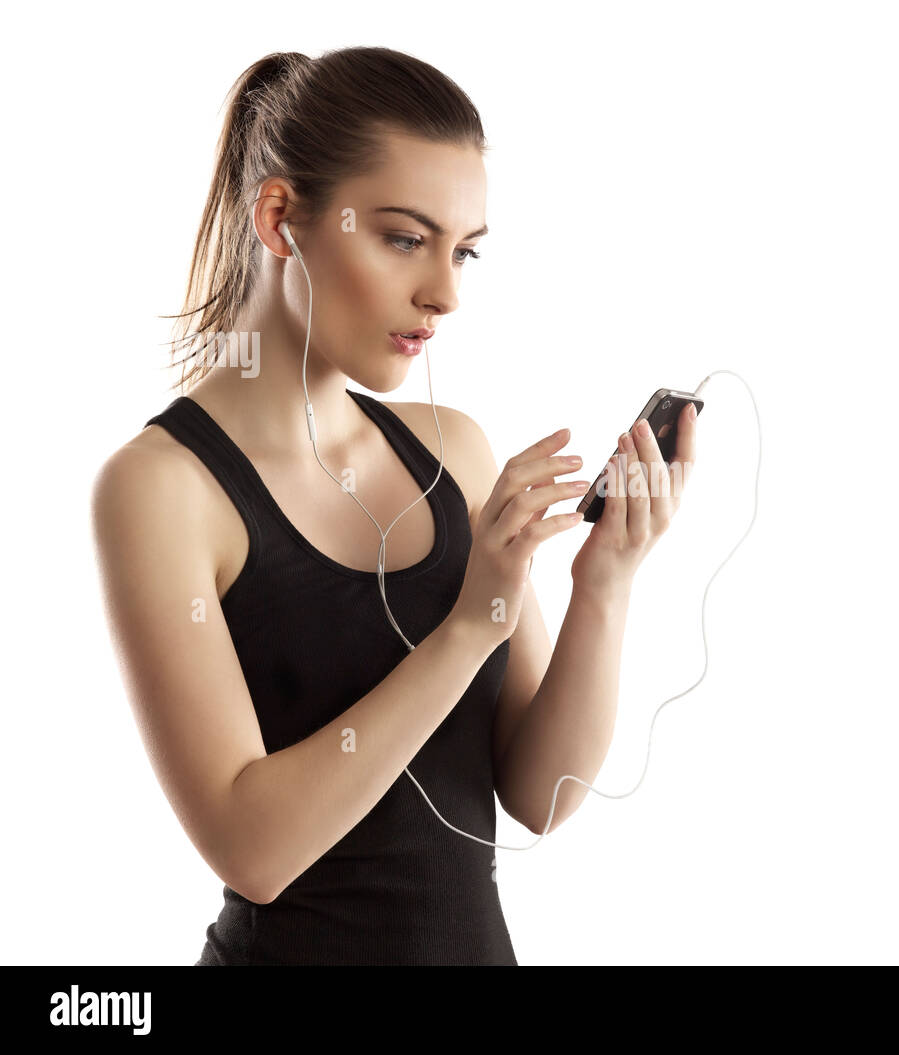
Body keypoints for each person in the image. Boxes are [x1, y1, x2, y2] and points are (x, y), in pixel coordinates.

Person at [90, 47, 697, 965]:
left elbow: (540, 794)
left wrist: (604, 584)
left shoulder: (454, 449)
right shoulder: (161, 487)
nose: (445, 293)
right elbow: (254, 849)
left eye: (466, 251)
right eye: (405, 238)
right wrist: (468, 626)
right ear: (281, 218)